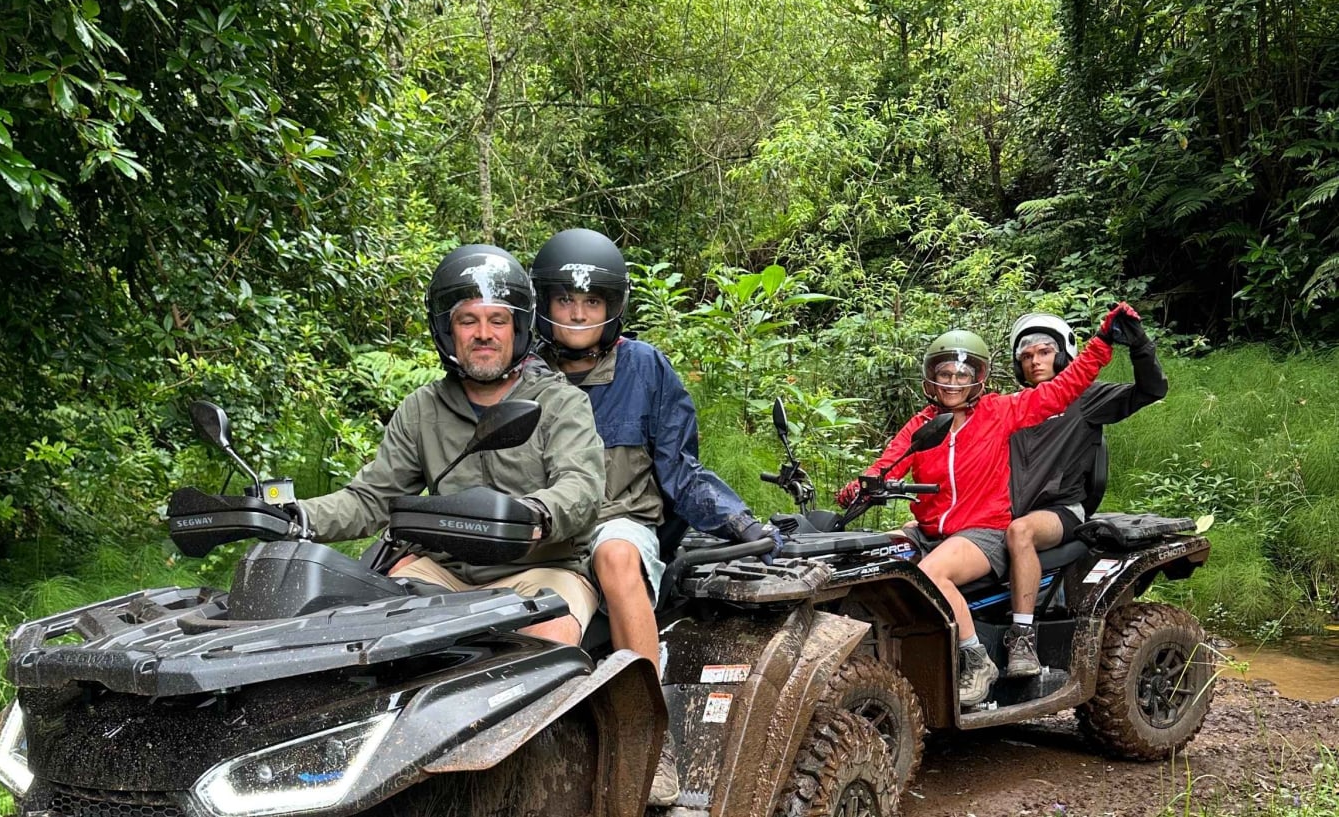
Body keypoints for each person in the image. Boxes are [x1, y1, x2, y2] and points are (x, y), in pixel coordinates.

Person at [529, 227, 779, 808]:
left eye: (591, 303)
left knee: (615, 555)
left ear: (612, 308)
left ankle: (654, 729)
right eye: (564, 301)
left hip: (620, 522)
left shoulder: (643, 367)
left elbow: (679, 466)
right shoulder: (523, 374)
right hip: (546, 529)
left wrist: (738, 522)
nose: (576, 314)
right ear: (543, 306)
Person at [299, 244, 606, 646]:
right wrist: (293, 516)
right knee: (363, 634)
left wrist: (533, 515)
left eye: (498, 320)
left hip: (544, 569)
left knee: (546, 640)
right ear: (447, 330)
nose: (483, 334)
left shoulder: (560, 403)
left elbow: (580, 487)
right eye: (467, 321)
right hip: (446, 572)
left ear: (518, 329)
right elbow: (373, 499)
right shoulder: (422, 408)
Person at [836, 303, 1133, 708]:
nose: (953, 381)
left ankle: (976, 659)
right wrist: (859, 487)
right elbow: (887, 464)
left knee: (930, 577)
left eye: (963, 373)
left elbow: (1064, 389)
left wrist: (1101, 343)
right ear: (932, 379)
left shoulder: (999, 411)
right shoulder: (923, 425)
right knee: (869, 559)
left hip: (983, 531)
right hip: (929, 531)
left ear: (978, 378)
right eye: (945, 373)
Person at [1001, 308, 1167, 677]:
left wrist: (1138, 345)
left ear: (1062, 354)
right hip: (1006, 512)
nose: (1034, 361)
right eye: (1026, 356)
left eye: (1044, 351)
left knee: (1021, 532)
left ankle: (1023, 638)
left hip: (1060, 512)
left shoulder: (1085, 399)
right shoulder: (1011, 408)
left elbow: (1151, 390)